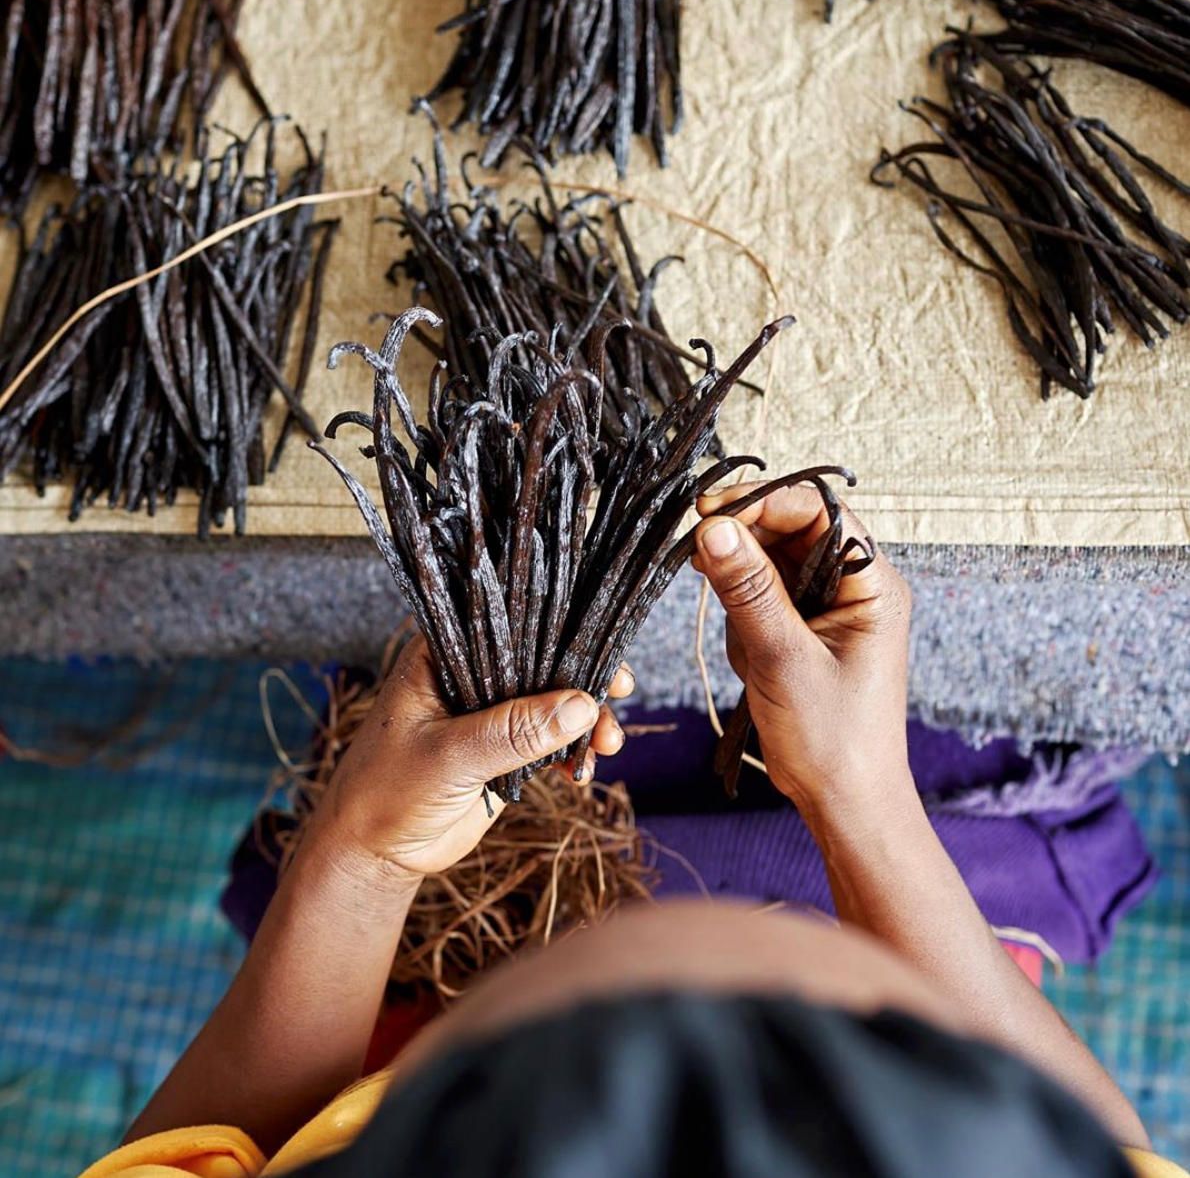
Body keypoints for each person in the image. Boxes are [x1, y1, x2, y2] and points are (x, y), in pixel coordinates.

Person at [82, 483, 1184, 1178]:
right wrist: (864, 798)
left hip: (423, 960)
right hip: (932, 924)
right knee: (979, 734)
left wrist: (360, 860)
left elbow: (203, 1147)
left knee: (414, 678)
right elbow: (1100, 1141)